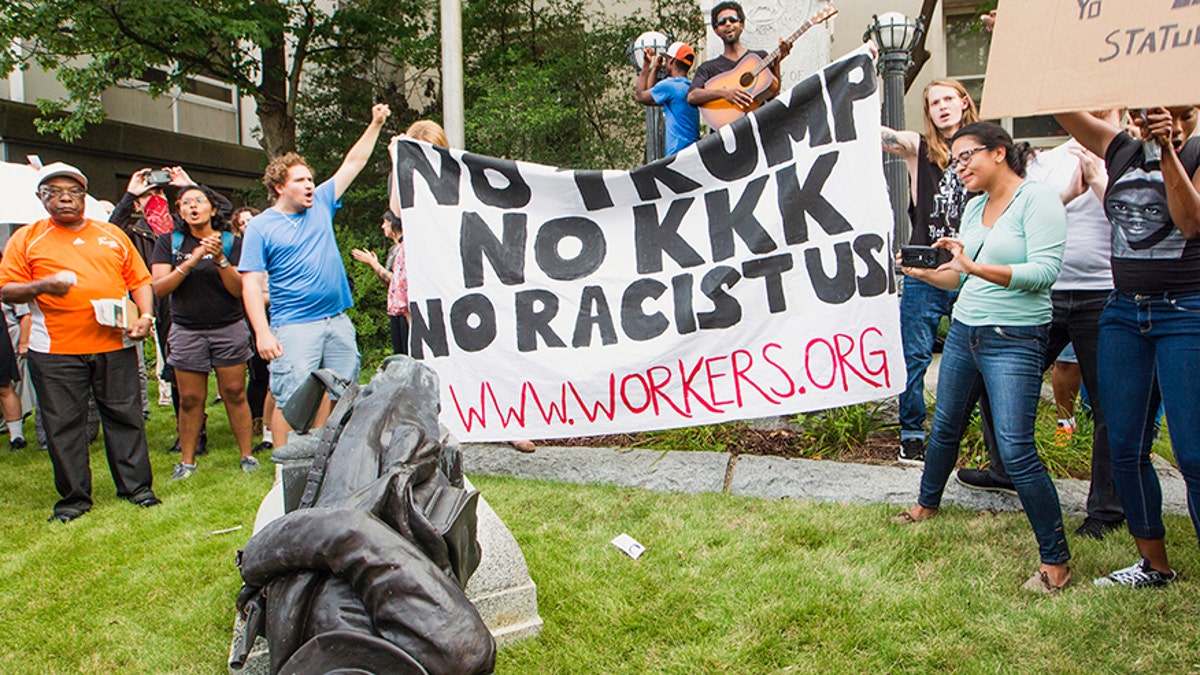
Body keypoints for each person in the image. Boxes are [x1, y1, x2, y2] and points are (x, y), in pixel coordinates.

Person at [892, 122, 1071, 594]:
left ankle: (1055, 560)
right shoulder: (973, 208)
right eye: (955, 159)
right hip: (965, 332)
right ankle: (925, 505)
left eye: (968, 155)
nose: (960, 166)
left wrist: (972, 266)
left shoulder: (1037, 200)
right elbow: (960, 280)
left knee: (1015, 449)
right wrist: (923, 274)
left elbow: (1044, 273)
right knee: (946, 424)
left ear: (998, 152)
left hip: (1014, 337)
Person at [1054, 105, 1200, 588]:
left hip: (1185, 312)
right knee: (1125, 445)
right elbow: (1061, 106)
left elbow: (1192, 222)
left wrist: (1168, 153)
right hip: (1123, 312)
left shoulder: (1196, 149)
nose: (1164, 117)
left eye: (1180, 111)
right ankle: (1153, 565)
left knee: (1193, 452)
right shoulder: (1121, 148)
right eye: (1152, 110)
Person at [0, 162, 161, 522]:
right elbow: (7, 289)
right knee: (64, 425)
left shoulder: (112, 234)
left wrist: (146, 316)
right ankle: (74, 499)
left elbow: (140, 280)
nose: (65, 199)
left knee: (125, 416)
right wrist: (42, 286)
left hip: (114, 343)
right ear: (41, 199)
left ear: (84, 196)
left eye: (73, 192)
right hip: (55, 349)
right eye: (54, 192)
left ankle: (136, 488)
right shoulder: (27, 238)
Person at [240, 103, 391, 449]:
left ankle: (326, 462)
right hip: (294, 326)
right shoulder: (262, 226)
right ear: (279, 187)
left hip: (336, 321)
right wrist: (262, 333)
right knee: (291, 402)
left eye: (310, 179)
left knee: (343, 394)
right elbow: (250, 283)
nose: (310, 185)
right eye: (300, 180)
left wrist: (375, 123)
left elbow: (353, 163)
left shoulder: (321, 202)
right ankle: (284, 474)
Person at [880, 78, 980, 464]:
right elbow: (877, 134)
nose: (941, 107)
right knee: (914, 355)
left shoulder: (986, 150)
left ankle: (965, 435)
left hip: (973, 267)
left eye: (947, 99)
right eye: (934, 102)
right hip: (927, 269)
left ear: (963, 102)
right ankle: (912, 433)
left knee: (979, 354)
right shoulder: (919, 149)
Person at [151, 185, 257, 479]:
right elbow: (160, 289)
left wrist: (220, 259)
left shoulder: (232, 242)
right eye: (186, 203)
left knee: (235, 392)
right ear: (180, 212)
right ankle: (187, 462)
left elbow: (238, 290)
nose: (193, 206)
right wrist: (194, 259)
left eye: (199, 201)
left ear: (213, 209)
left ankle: (247, 456)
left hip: (228, 327)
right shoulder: (168, 243)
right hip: (187, 330)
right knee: (190, 398)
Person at [686, 1, 790, 114]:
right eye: (722, 22)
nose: (728, 24)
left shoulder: (759, 58)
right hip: (725, 128)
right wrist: (725, 93)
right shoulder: (707, 68)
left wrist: (777, 63)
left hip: (758, 126)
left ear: (742, 25)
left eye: (733, 19)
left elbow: (773, 95)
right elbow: (692, 96)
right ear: (716, 31)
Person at [351, 211, 407, 354]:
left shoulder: (406, 247)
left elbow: (398, 281)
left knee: (407, 352)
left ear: (394, 223)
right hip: (394, 307)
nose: (382, 226)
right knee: (398, 353)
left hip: (405, 308)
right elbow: (389, 283)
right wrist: (374, 265)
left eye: (385, 222)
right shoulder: (393, 249)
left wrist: (374, 264)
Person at [635, 42, 701, 156]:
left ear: (672, 61)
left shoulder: (670, 86)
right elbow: (653, 97)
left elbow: (640, 96)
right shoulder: (690, 87)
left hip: (677, 153)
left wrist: (646, 64)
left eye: (667, 59)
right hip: (693, 152)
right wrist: (655, 68)